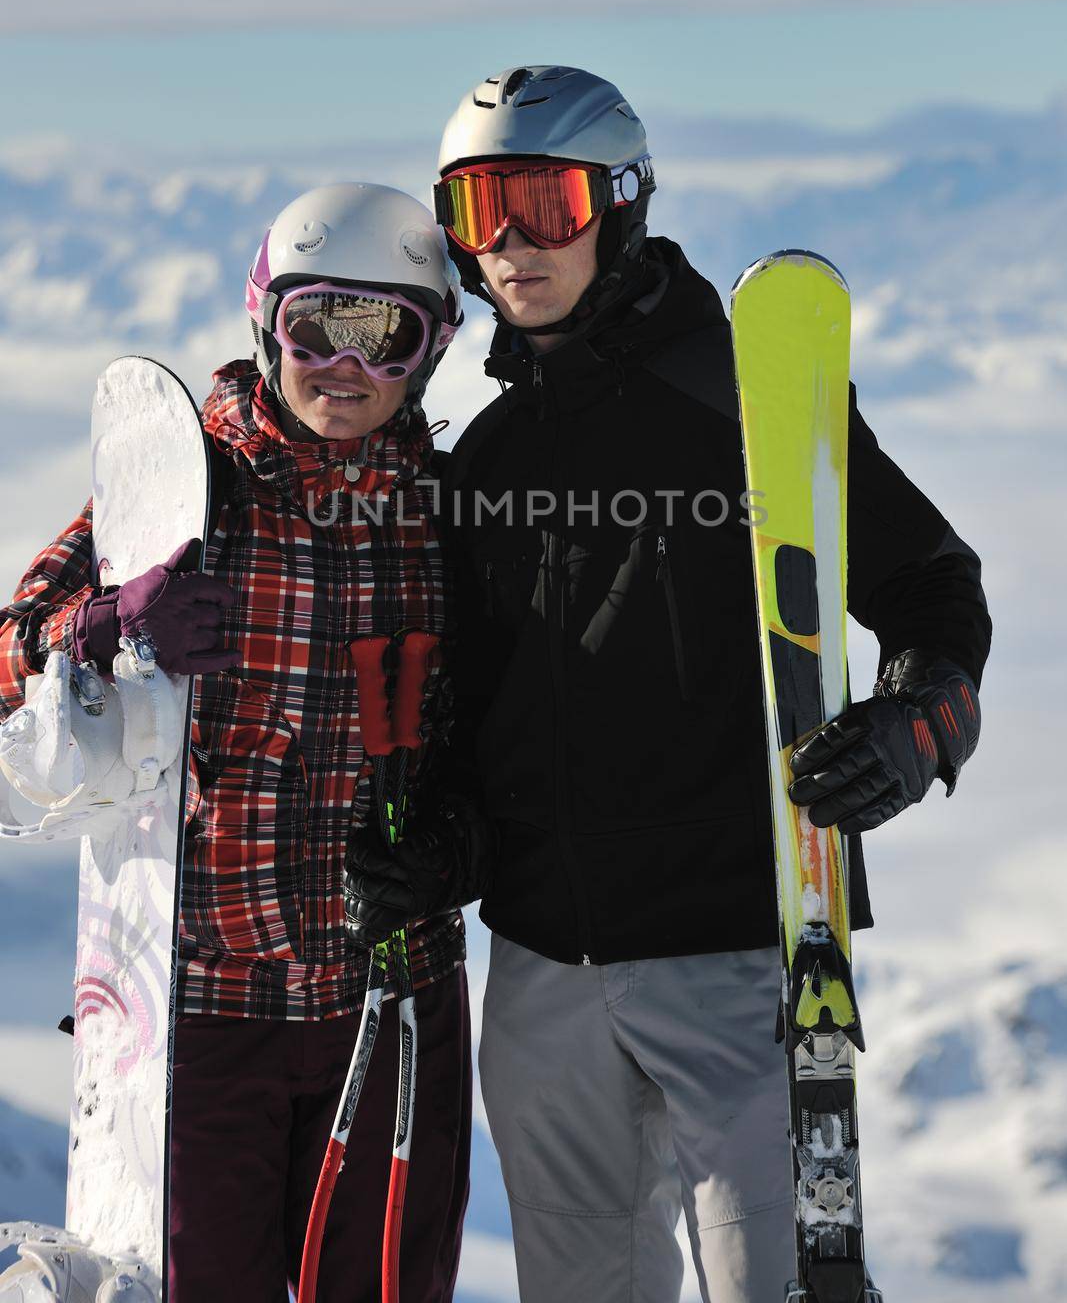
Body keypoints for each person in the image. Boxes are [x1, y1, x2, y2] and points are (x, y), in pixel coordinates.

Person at [343, 68, 992, 1303]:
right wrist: (447, 846)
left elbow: (930, 589)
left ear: (621, 203)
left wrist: (915, 727)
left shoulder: (740, 401)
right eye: (480, 211)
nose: (514, 246)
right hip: (541, 970)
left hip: (736, 953)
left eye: (545, 200)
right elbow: (482, 711)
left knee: (777, 1283)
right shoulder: (486, 453)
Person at [0, 183, 472, 1303]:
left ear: (433, 346)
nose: (344, 366)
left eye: (385, 334)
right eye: (319, 326)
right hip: (204, 1013)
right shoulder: (179, 491)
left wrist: (469, 843)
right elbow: (6, 657)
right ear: (267, 319)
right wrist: (101, 627)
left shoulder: (448, 509)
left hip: (393, 998)